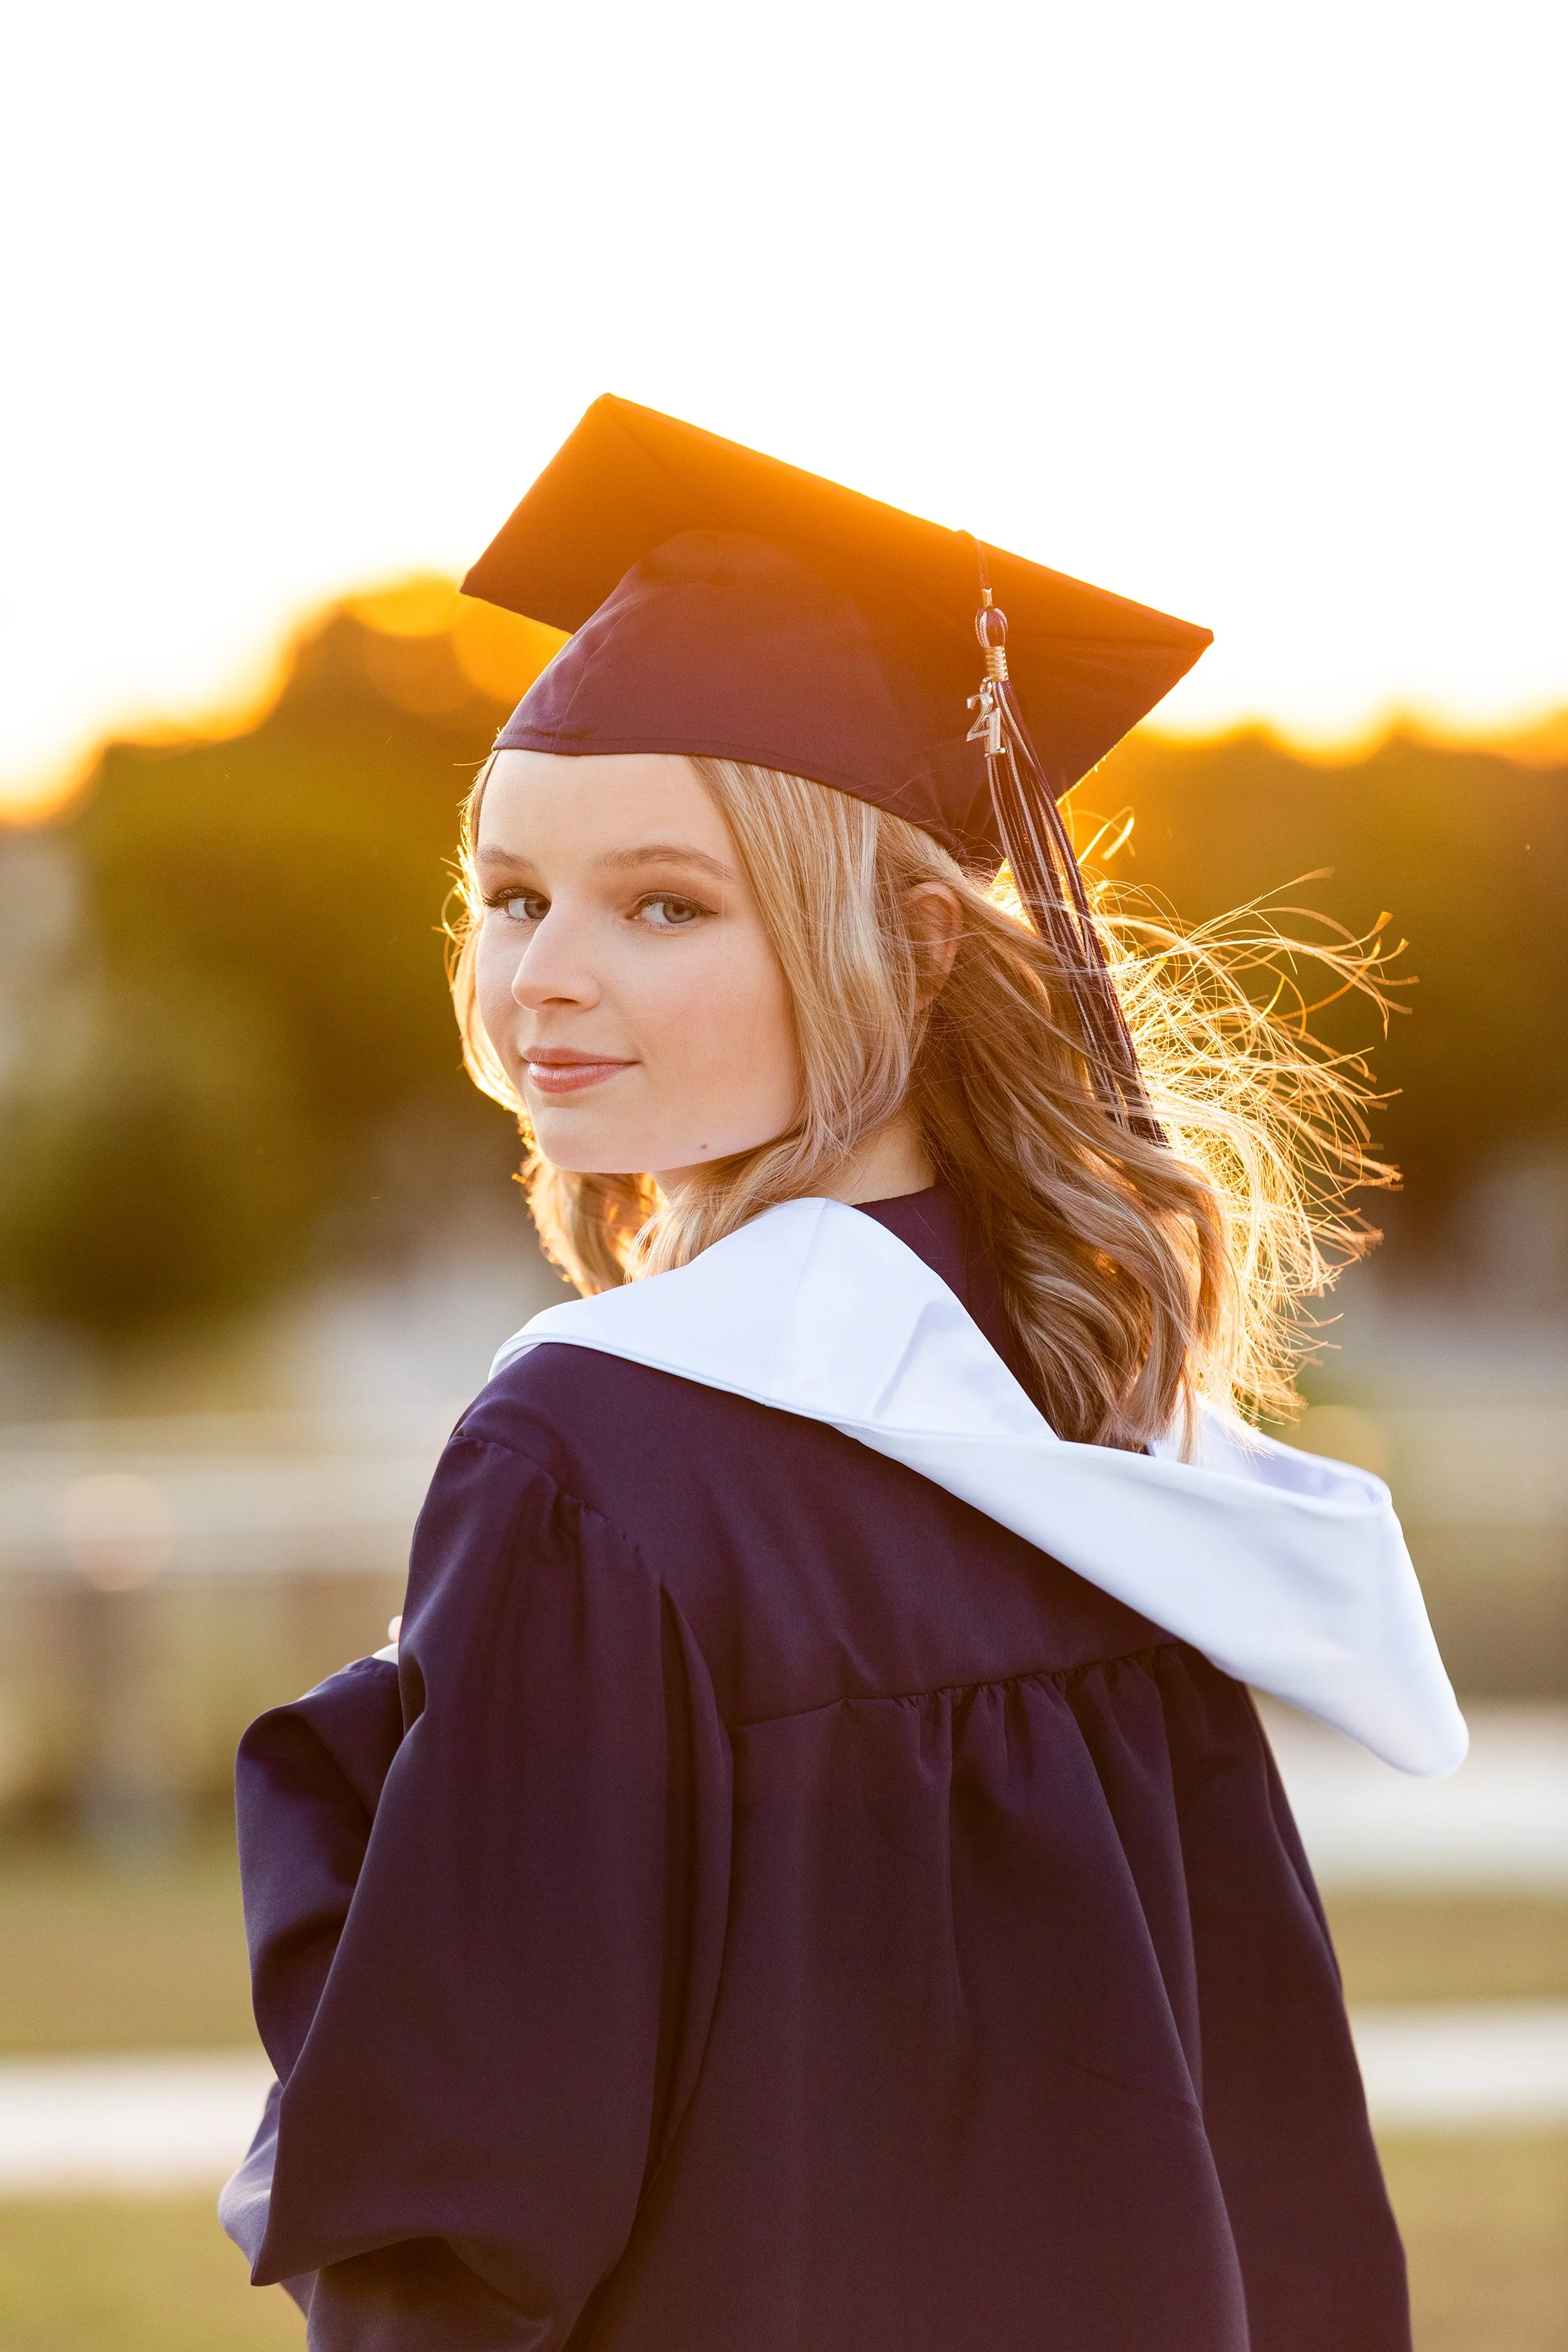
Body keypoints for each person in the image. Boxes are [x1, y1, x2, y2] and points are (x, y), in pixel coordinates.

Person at [220, 398, 1465, 2351]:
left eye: (664, 903)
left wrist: (350, 1834)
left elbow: (469, 2210)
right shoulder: (1094, 1402)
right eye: (510, 894)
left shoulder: (595, 1457)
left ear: (894, 943)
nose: (542, 975)